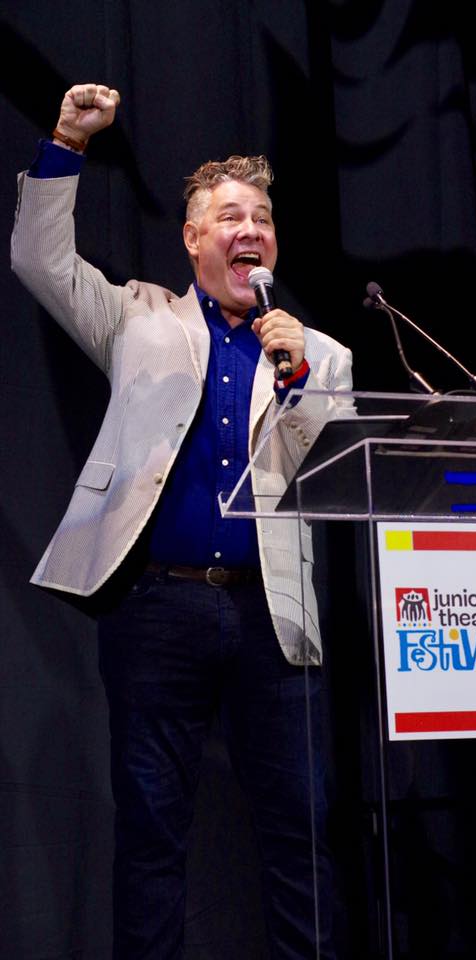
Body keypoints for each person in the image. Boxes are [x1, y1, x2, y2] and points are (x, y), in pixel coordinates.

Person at [11, 83, 353, 960]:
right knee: (153, 833)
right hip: (158, 609)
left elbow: (331, 475)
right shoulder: (140, 318)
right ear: (195, 239)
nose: (251, 232)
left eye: (263, 219)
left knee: (302, 835)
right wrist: (67, 146)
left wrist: (299, 379)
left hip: (271, 617)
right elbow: (42, 265)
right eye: (231, 218)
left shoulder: (321, 355)